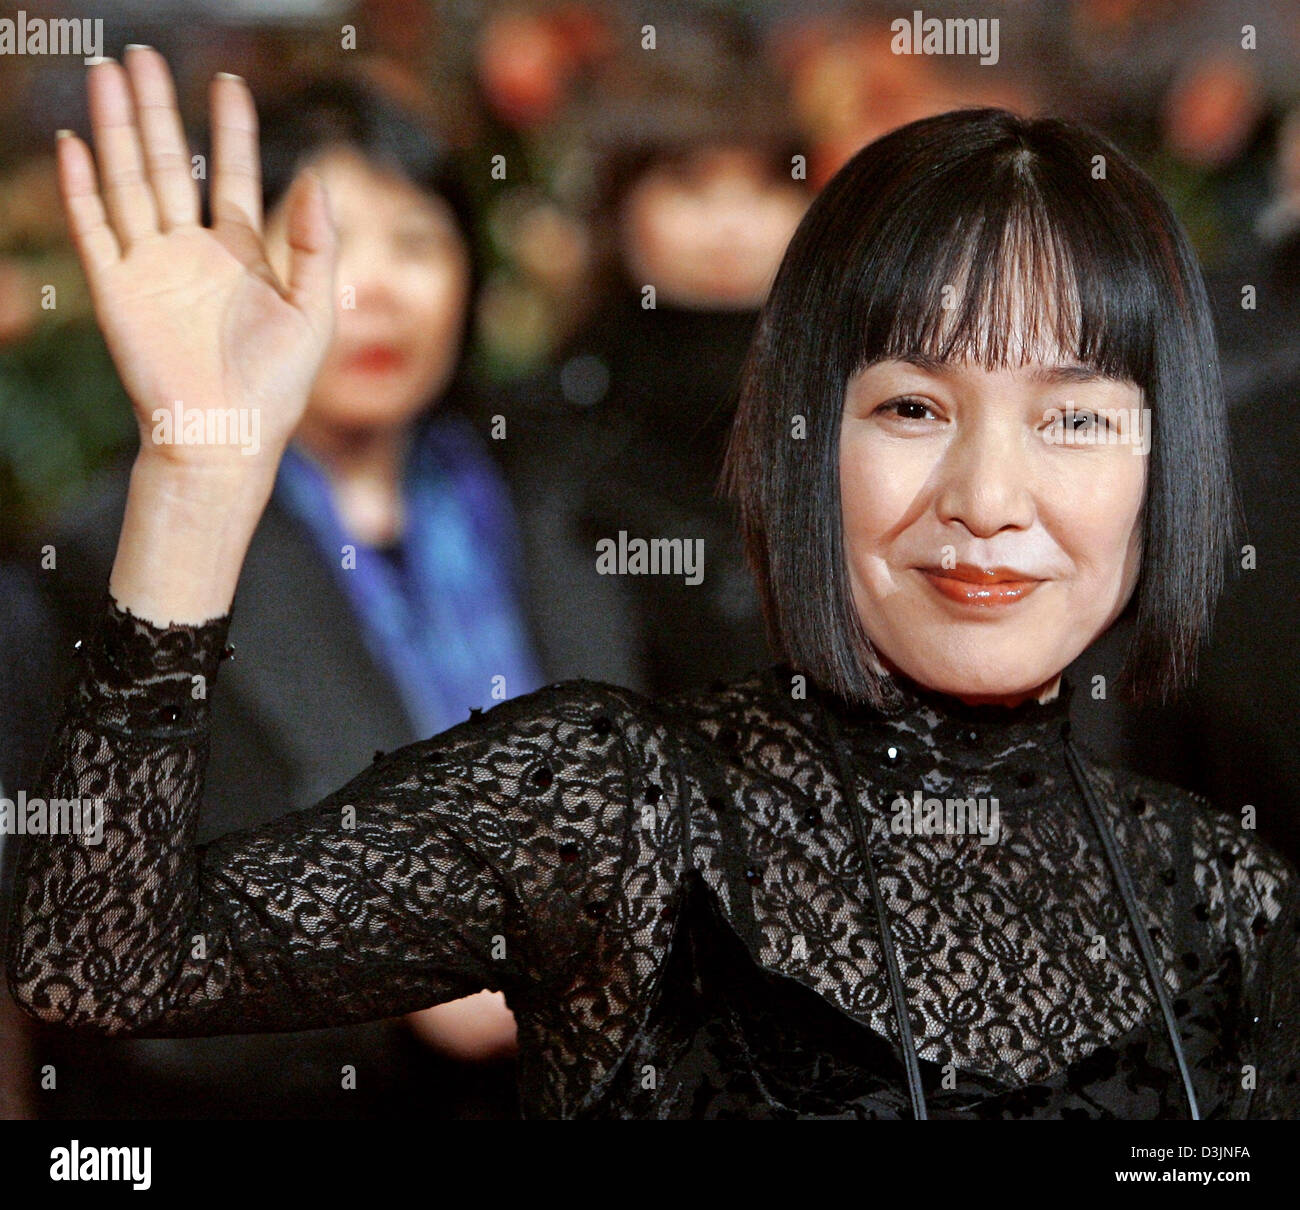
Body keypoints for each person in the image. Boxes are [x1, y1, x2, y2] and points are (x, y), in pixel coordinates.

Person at [7, 48, 1297, 1119]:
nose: (988, 496)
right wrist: (196, 472)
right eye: (912, 404)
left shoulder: (1226, 899)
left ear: (1164, 459)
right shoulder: (621, 807)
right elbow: (102, 965)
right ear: (802, 444)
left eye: (1073, 420)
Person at [9, 68, 550, 1118]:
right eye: (327, 246)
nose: (378, 288)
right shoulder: (101, 561)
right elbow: (83, 960)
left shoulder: (553, 505)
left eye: (416, 240)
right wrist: (391, 986)